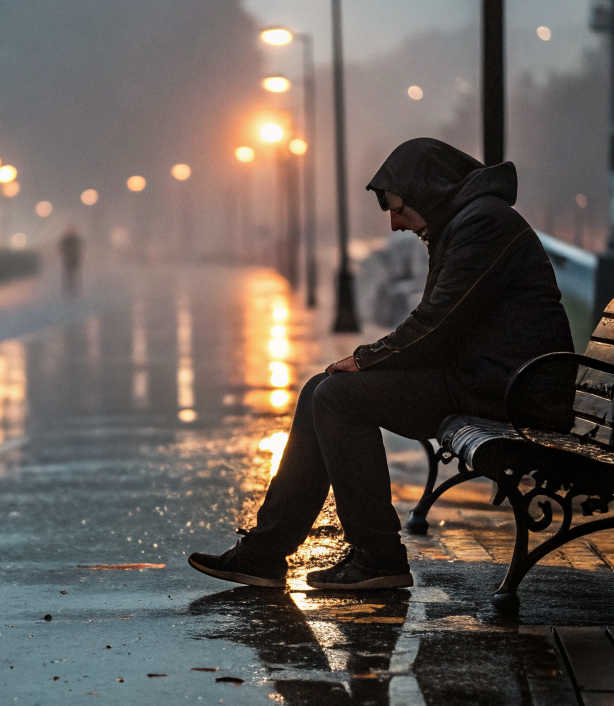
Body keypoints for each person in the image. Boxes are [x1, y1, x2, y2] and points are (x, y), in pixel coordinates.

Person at [189, 138, 575, 590]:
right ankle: (264, 553)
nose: (394, 224)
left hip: (513, 391)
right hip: (485, 378)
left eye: (398, 209)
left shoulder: (483, 224)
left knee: (337, 397)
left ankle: (379, 557)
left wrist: (365, 359)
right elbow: (441, 325)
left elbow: (438, 322)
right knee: (319, 389)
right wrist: (367, 361)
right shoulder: (466, 222)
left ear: (428, 192)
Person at [58, 225, 83, 297]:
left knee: (74, 274)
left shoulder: (74, 240)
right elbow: (62, 248)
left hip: (74, 259)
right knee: (69, 275)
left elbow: (79, 248)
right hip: (68, 260)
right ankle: (69, 289)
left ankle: (74, 289)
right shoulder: (66, 240)